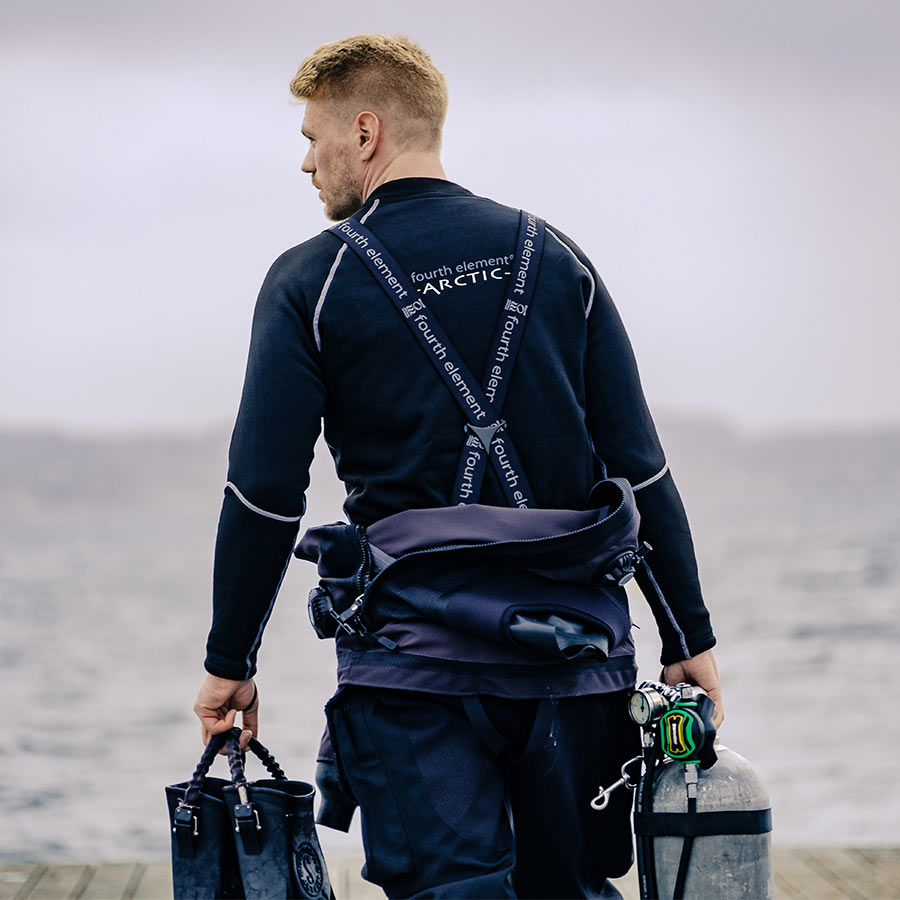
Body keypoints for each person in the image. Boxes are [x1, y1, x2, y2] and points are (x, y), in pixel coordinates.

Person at [193, 33, 723, 899]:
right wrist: (688, 636)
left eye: (311, 136)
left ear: (364, 133)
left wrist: (230, 660)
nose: (305, 162)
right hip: (575, 663)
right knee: (573, 890)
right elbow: (639, 467)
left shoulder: (310, 282)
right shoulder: (558, 258)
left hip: (413, 676)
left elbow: (262, 497)